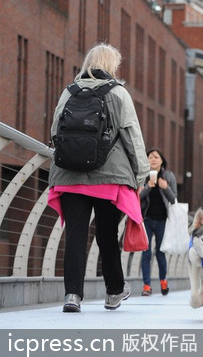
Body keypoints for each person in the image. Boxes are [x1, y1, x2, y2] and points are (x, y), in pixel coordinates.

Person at [47, 43, 149, 313]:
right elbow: (131, 135)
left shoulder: (68, 92)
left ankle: (72, 295)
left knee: (76, 236)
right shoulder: (118, 92)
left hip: (70, 175)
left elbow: (55, 131)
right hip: (109, 177)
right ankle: (114, 291)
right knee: (106, 235)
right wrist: (141, 174)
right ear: (110, 64)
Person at [139, 148, 177, 296]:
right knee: (146, 253)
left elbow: (174, 199)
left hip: (163, 220)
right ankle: (146, 285)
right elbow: (137, 197)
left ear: (162, 160)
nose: (153, 159)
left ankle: (163, 282)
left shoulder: (168, 176)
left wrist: (165, 187)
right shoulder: (142, 176)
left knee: (161, 253)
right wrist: (149, 186)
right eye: (150, 157)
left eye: (156, 157)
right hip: (146, 220)